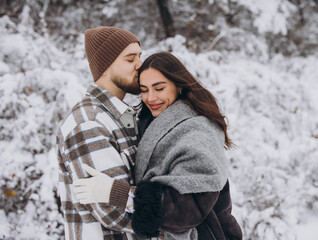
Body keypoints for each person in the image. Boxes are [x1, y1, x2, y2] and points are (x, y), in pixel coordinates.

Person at [75, 52, 243, 240]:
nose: (150, 98)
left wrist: (118, 194)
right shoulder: (151, 124)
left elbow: (186, 209)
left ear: (178, 85)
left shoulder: (197, 133)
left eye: (159, 88)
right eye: (144, 90)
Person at [56, 26, 142, 240]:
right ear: (105, 66)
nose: (140, 65)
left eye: (140, 57)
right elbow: (113, 211)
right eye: (131, 59)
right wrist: (180, 219)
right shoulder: (88, 124)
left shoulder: (116, 116)